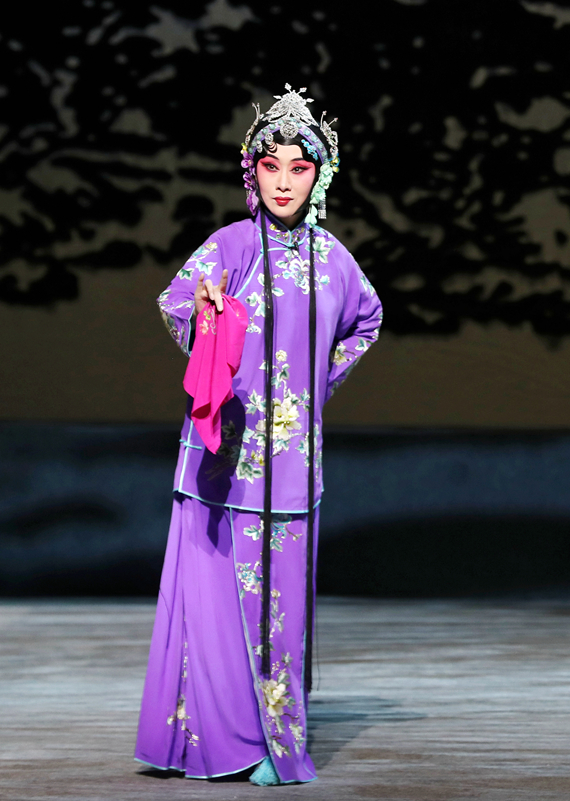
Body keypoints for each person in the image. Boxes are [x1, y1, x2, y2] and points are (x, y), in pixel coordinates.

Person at [135, 85, 382, 785]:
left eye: (298, 169)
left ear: (319, 177)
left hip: (291, 463)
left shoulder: (334, 259)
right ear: (253, 172)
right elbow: (176, 301)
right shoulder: (232, 245)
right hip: (222, 457)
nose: (283, 182)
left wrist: (311, 390)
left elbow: (366, 320)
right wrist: (207, 315)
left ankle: (278, 743)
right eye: (270, 167)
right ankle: (210, 743)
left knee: (280, 609)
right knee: (213, 609)